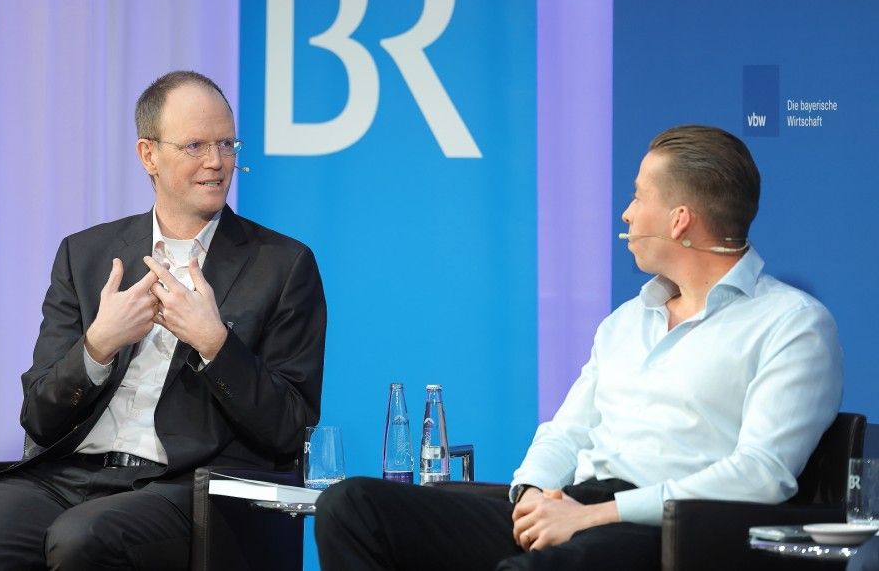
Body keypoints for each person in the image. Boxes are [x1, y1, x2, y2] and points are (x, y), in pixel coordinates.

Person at [314, 125, 842, 571]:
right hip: (575, 506)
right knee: (352, 505)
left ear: (679, 219)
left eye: (638, 197)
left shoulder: (791, 323)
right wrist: (532, 496)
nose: (627, 215)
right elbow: (567, 432)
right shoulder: (627, 320)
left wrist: (597, 515)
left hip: (666, 531)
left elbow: (760, 473)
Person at [0, 70, 327, 570]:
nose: (217, 161)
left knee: (82, 539)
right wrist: (97, 347)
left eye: (227, 143)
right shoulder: (85, 255)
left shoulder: (281, 265)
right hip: (68, 475)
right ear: (148, 155)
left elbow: (291, 426)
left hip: (184, 487)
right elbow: (39, 416)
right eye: (196, 145)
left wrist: (215, 344)